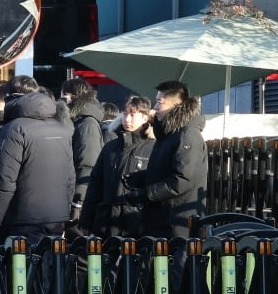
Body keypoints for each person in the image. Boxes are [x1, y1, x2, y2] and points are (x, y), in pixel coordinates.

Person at [0, 77, 76, 247]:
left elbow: (5, 181)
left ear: (9, 98)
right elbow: (70, 177)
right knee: (51, 268)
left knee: (20, 270)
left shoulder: (15, 128)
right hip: (57, 218)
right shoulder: (61, 129)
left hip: (22, 219)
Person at [124, 80, 208, 240]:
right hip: (161, 219)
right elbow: (166, 170)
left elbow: (182, 179)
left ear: (175, 107)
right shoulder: (169, 134)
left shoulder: (186, 135)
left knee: (170, 264)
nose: (155, 108)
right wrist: (142, 178)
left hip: (176, 223)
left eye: (159, 102)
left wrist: (146, 194)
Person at [80, 96, 156, 238]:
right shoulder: (111, 147)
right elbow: (95, 185)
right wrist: (86, 220)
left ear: (145, 118)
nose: (127, 119)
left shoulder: (154, 148)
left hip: (137, 225)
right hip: (105, 224)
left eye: (133, 115)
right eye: (125, 114)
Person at [60, 78, 107, 229]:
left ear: (74, 96)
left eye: (64, 95)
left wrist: (78, 202)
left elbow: (88, 164)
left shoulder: (87, 124)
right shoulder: (77, 121)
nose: (60, 99)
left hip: (77, 197)